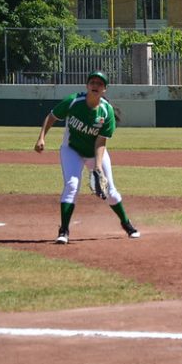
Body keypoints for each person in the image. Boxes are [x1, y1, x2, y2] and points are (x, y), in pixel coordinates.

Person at [34, 71, 140, 244]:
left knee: (110, 192)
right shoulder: (74, 101)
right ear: (87, 86)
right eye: (92, 82)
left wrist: (97, 167)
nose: (95, 86)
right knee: (72, 185)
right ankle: (64, 231)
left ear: (105, 89)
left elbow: (100, 143)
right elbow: (52, 116)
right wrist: (41, 138)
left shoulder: (107, 112)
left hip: (95, 153)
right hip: (71, 150)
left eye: (100, 83)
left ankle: (126, 223)